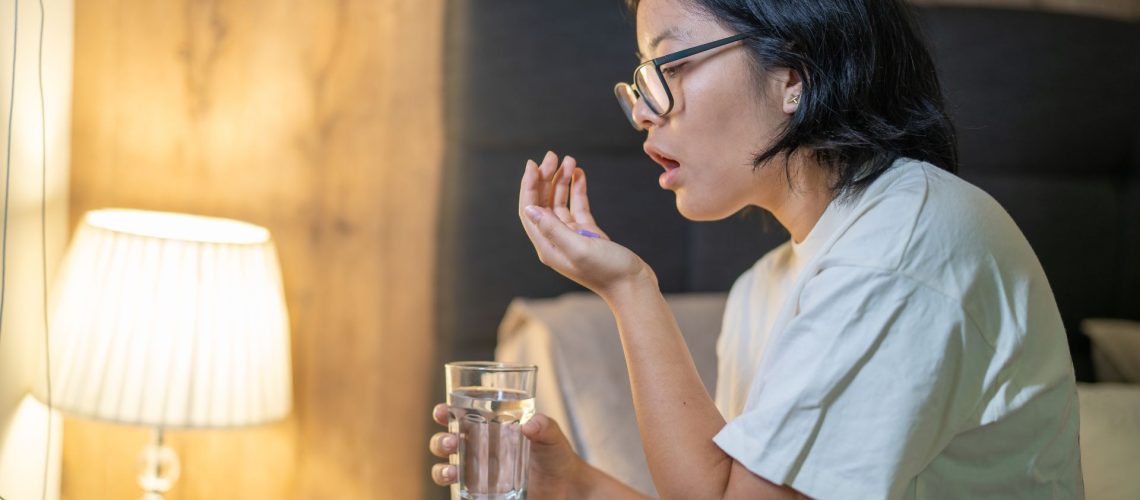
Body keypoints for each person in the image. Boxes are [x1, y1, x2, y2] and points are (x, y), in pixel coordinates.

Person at [430, 0, 1084, 497]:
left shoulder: (907, 248)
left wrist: (630, 290)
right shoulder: (763, 290)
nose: (645, 112)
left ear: (791, 75)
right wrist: (576, 486)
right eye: (641, 80)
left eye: (672, 66)